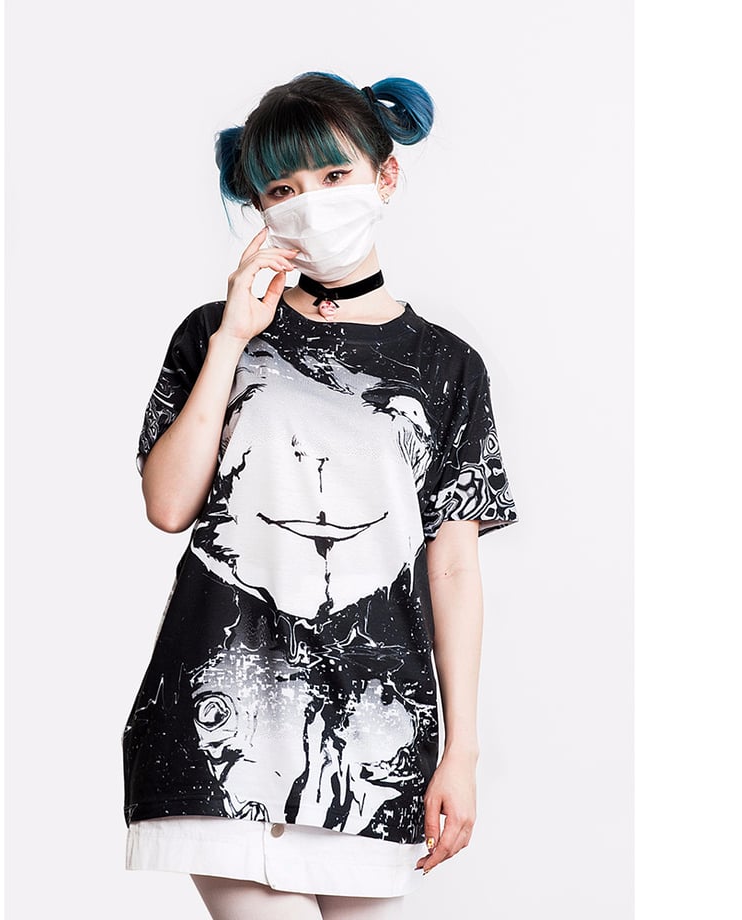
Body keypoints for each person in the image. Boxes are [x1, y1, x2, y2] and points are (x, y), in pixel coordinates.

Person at [122, 71, 519, 920]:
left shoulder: (448, 366)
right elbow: (168, 505)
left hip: (378, 734)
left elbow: (453, 567)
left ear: (386, 175)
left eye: (335, 175)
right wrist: (234, 338)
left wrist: (462, 750)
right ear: (260, 209)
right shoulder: (212, 334)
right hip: (221, 723)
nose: (312, 203)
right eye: (283, 190)